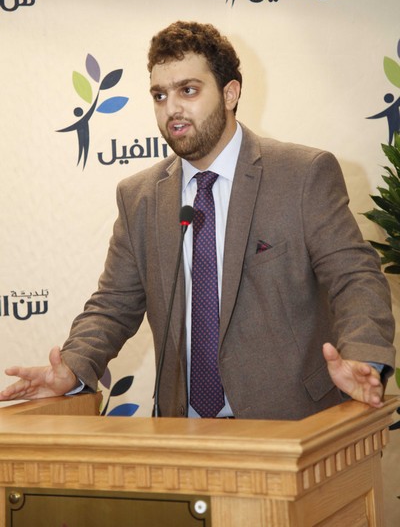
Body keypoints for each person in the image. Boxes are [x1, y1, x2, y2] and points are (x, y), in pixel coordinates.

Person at [0, 21, 396, 419]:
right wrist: (72, 367)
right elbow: (113, 305)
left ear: (230, 93)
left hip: (294, 425)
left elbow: (354, 276)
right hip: (182, 432)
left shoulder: (301, 174)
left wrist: (363, 356)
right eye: (159, 95)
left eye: (188, 90)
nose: (172, 108)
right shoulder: (139, 197)